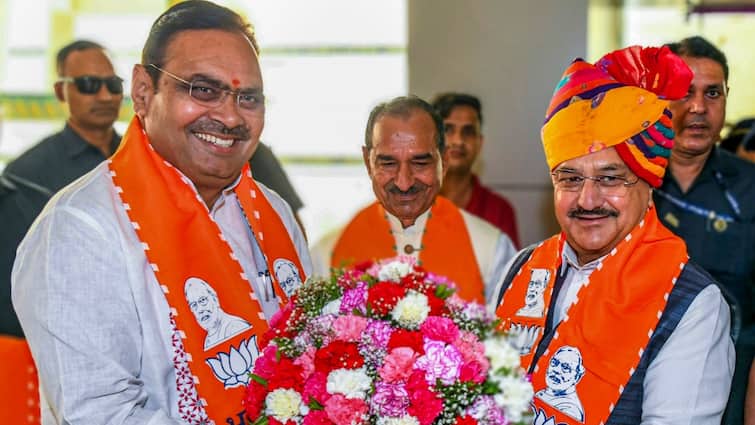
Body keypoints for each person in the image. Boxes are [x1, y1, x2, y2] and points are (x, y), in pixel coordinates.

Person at [12, 1, 312, 423]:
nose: (230, 116)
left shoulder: (272, 213)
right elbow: (99, 414)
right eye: (202, 90)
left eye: (248, 97)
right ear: (142, 91)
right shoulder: (80, 230)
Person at [492, 45, 734, 424]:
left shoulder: (693, 304)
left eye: (610, 178)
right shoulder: (522, 267)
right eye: (570, 179)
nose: (587, 200)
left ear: (649, 186)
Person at [310, 96, 516, 303]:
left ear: (444, 162)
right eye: (388, 163)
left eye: (420, 163)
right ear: (367, 161)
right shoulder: (326, 253)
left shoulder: (492, 249)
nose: (404, 183)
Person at [655, 36, 755, 424]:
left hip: (731, 389)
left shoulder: (749, 188)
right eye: (684, 92)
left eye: (712, 93)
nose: (698, 107)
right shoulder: (626, 182)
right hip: (638, 381)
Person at [432, 93, 521, 248]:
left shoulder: (499, 210)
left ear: (480, 142)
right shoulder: (411, 203)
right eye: (448, 129)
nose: (458, 141)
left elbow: (510, 264)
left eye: (468, 132)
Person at [184, 277, 251, 350]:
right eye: (194, 305)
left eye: (203, 300)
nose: (200, 309)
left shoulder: (235, 327)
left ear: (215, 299)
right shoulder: (208, 341)